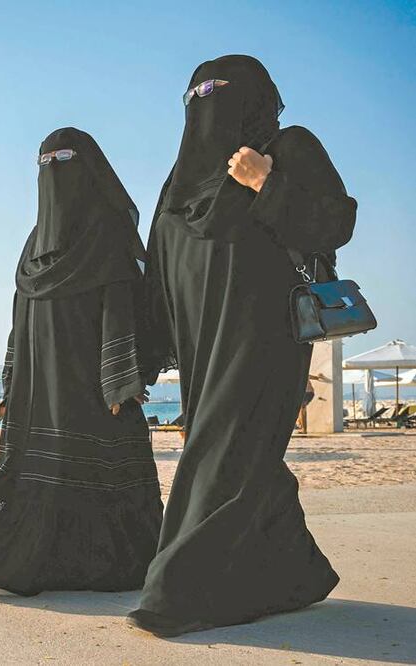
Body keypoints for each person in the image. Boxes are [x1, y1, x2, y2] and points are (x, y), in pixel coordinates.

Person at [130, 55, 356, 636]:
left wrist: (264, 182)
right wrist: (149, 353)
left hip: (268, 334)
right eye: (197, 95)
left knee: (227, 451)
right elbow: (158, 272)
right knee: (241, 453)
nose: (207, 108)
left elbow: (336, 222)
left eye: (221, 93)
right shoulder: (178, 182)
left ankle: (176, 589)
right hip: (202, 345)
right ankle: (289, 574)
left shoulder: (290, 146)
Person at [0, 127, 163, 595]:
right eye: (44, 162)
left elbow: (122, 304)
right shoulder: (36, 240)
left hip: (93, 378)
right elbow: (19, 313)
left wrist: (118, 380)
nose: (52, 170)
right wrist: (13, 379)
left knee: (100, 463)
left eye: (63, 158)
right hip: (41, 377)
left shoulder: (109, 229)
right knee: (48, 470)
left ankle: (111, 563)